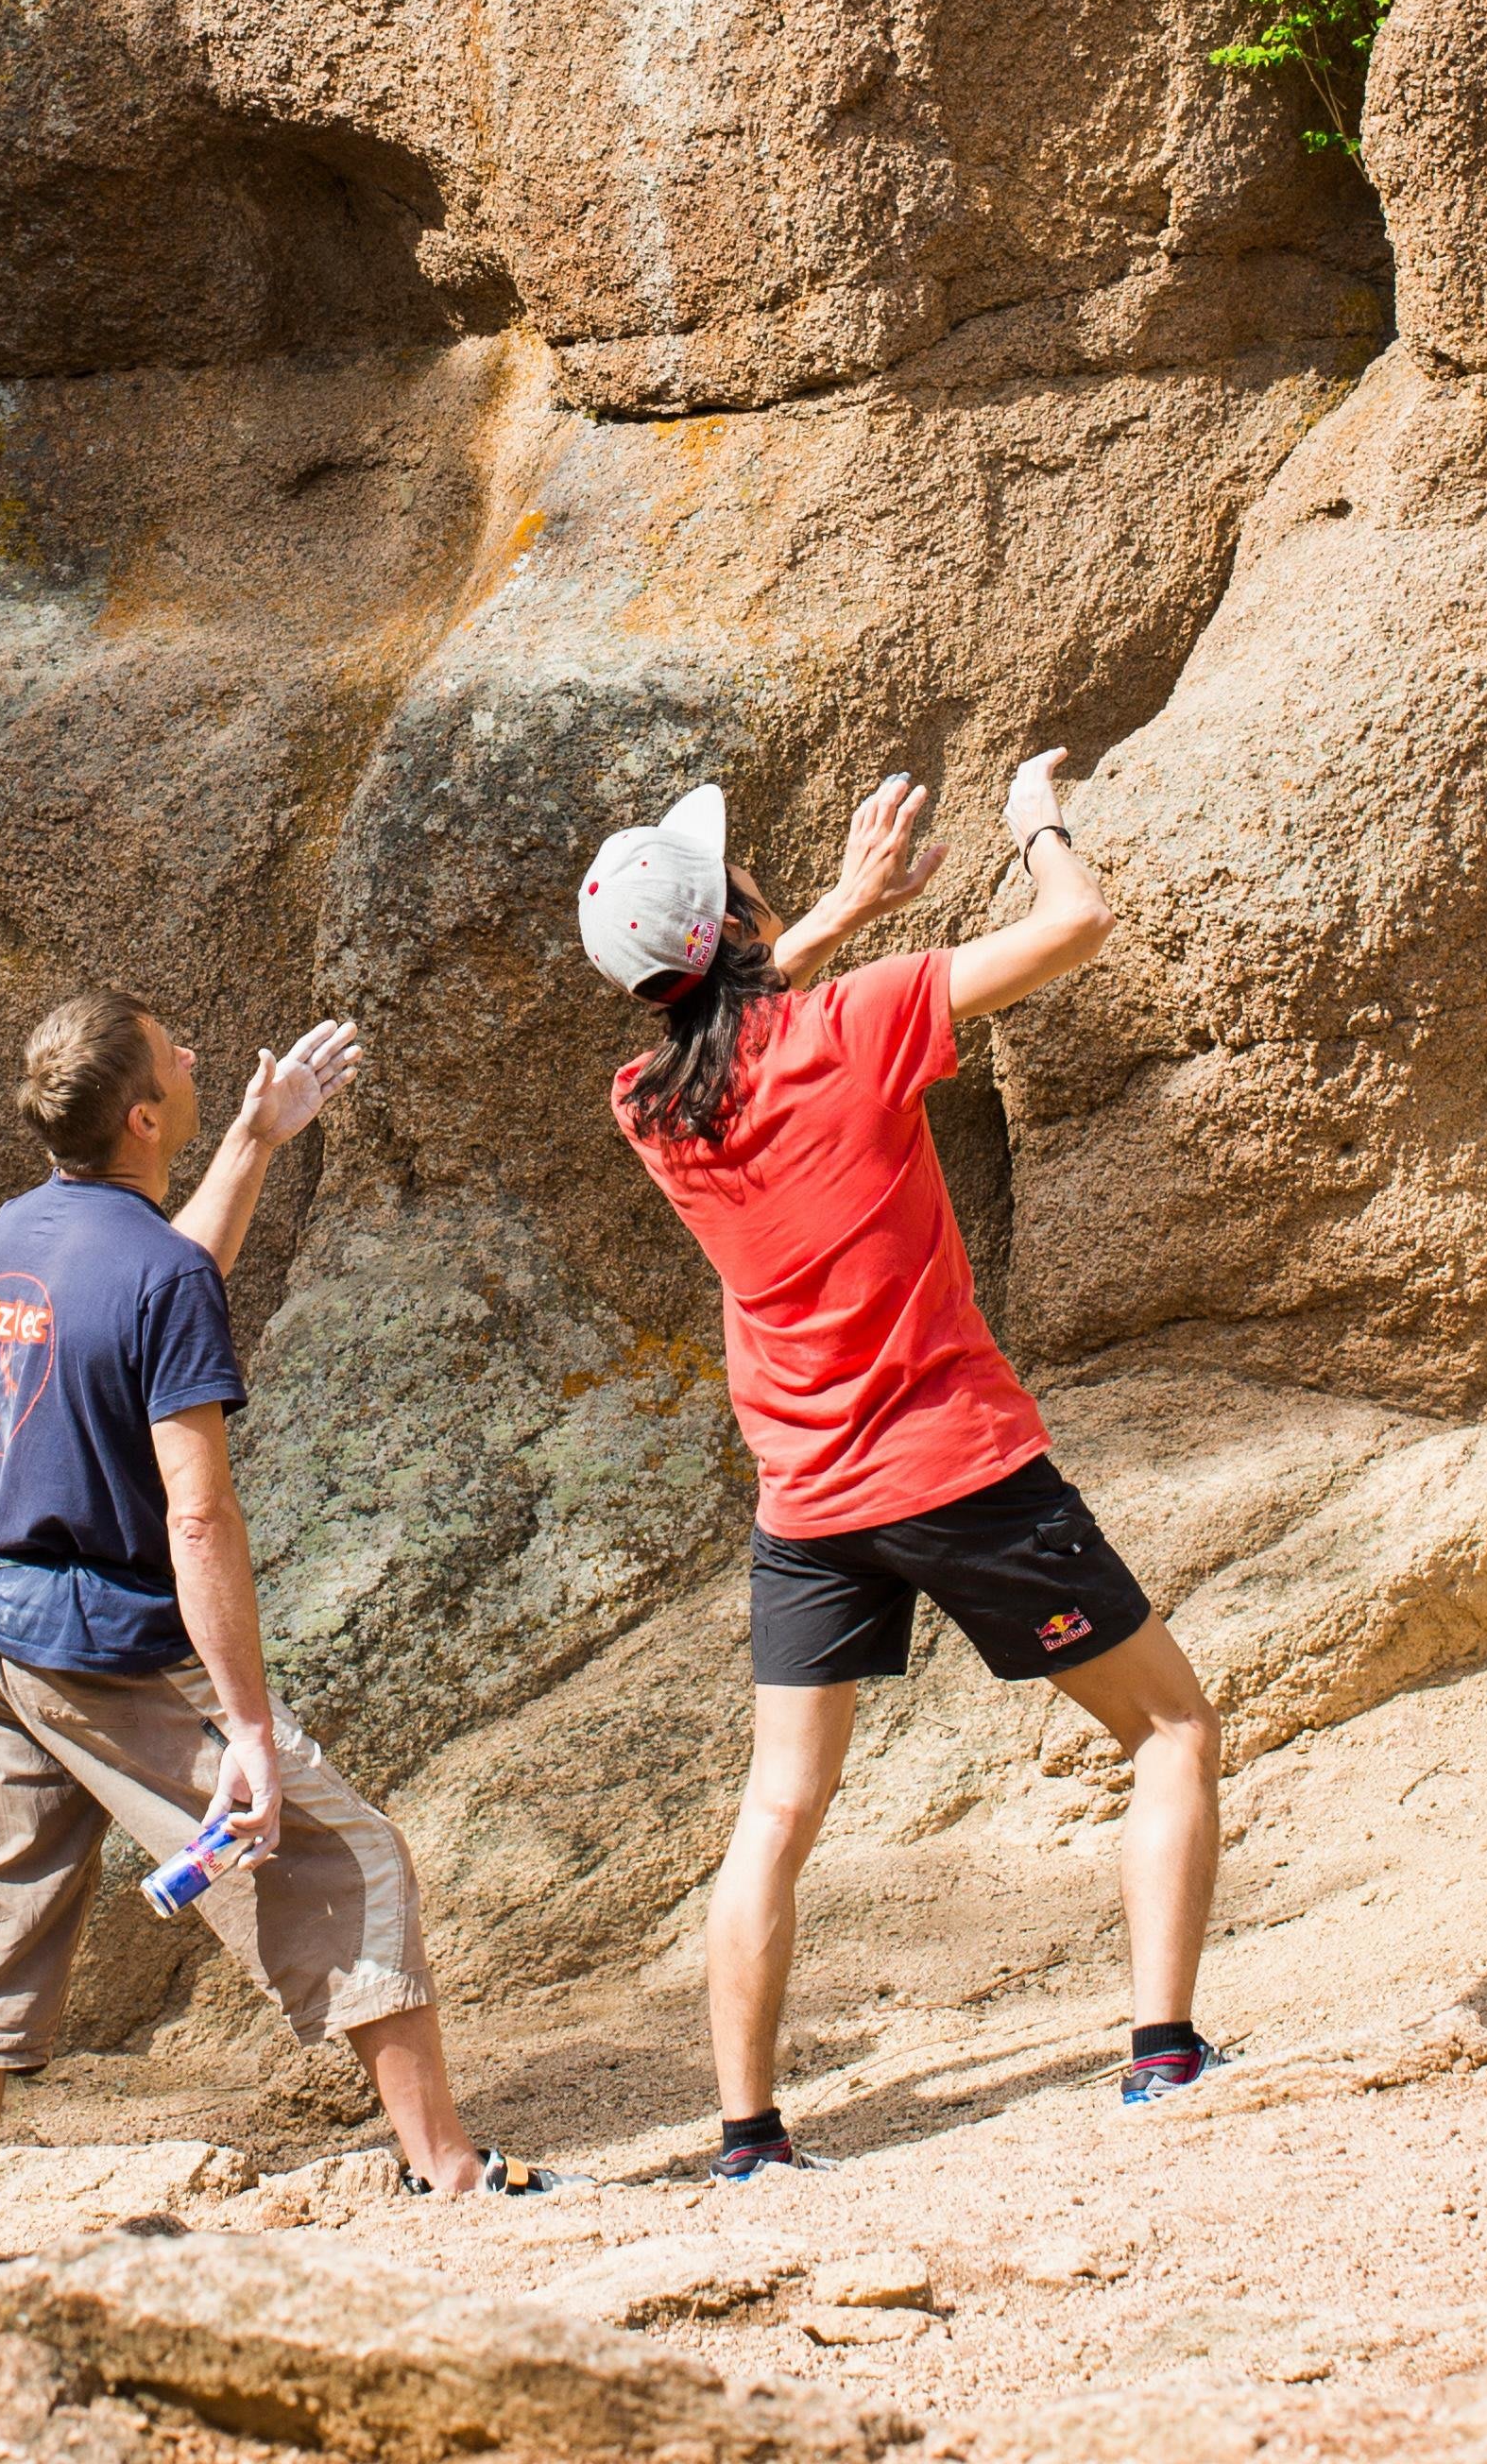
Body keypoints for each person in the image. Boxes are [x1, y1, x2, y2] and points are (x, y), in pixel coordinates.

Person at [578, 754, 1228, 2175]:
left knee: (778, 1812)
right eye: (742, 883)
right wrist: (1037, 826)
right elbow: (1076, 928)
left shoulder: (648, 1104)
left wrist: (842, 906)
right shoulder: (857, 1022)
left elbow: (729, 1007)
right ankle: (1165, 2056)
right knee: (1172, 1731)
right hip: (958, 1470)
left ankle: (748, 2136)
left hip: (807, 1501)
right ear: (737, 925)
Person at [0, 987, 564, 2199]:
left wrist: (258, 1137)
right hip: (100, 1647)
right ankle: (453, 2177)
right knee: (347, 1857)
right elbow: (199, 1514)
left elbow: (152, 1289)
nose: (199, 1048)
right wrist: (252, 1736)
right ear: (147, 1115)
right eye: (177, 1051)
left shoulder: (16, 1229)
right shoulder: (157, 1277)